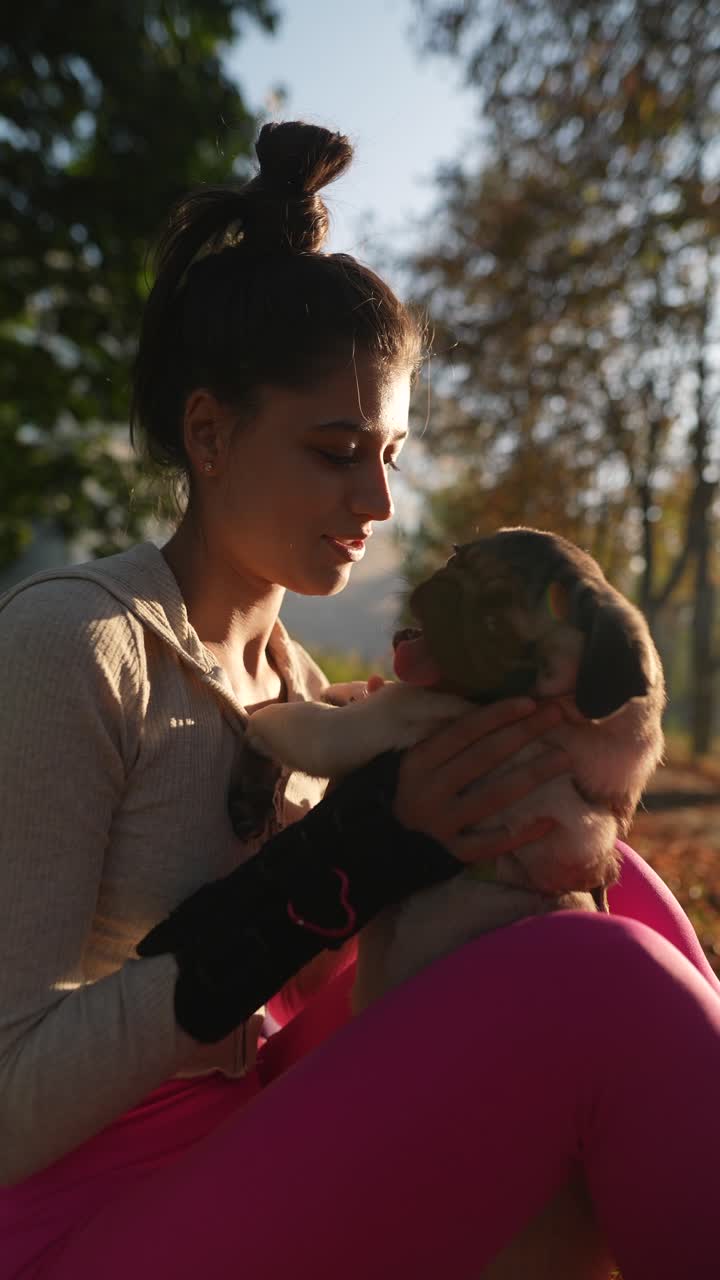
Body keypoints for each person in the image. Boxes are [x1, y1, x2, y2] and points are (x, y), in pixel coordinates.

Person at [0, 121, 719, 1280]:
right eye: (338, 449)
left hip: (252, 1143)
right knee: (606, 989)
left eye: (391, 450)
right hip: (76, 1215)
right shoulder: (71, 646)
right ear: (210, 432)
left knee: (602, 884)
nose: (379, 497)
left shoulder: (297, 684)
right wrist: (346, 857)